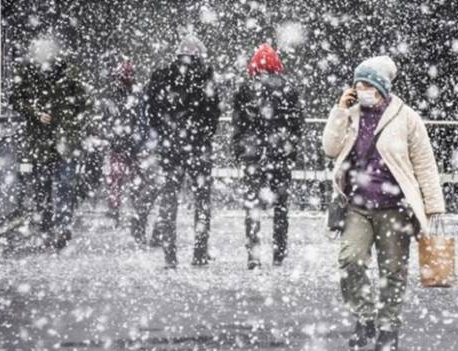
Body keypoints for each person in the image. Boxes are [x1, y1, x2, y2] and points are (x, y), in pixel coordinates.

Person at [321, 56, 446, 351]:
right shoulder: (351, 114)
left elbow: (425, 164)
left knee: (392, 271)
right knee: (350, 260)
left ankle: (388, 329)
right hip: (357, 206)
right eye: (357, 84)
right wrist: (339, 110)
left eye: (366, 84)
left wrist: (434, 206)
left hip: (395, 208)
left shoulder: (406, 117)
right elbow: (330, 148)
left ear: (380, 86)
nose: (361, 89)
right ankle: (364, 317)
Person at [139, 34, 221, 268]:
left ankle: (170, 255)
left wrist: (165, 134)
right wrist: (202, 135)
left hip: (170, 147)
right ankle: (199, 251)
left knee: (169, 198)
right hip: (198, 148)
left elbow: (151, 110)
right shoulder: (205, 77)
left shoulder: (162, 76)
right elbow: (213, 112)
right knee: (202, 200)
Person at [11, 37, 91, 249]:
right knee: (44, 187)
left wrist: (72, 121)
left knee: (63, 185)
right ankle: (49, 227)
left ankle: (61, 227)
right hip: (43, 141)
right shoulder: (27, 74)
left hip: (64, 141)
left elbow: (86, 103)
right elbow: (15, 100)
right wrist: (36, 113)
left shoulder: (68, 75)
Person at [232, 43, 304, 269]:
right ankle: (279, 253)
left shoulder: (245, 89)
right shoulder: (289, 89)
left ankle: (253, 255)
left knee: (252, 206)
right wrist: (290, 149)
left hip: (254, 155)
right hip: (280, 154)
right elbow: (296, 125)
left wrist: (240, 150)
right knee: (281, 207)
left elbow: (238, 124)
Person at [99, 61, 144, 234]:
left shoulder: (115, 95)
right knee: (127, 180)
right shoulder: (134, 94)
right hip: (127, 144)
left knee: (117, 180)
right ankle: (131, 211)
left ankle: (118, 211)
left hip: (122, 143)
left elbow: (107, 119)